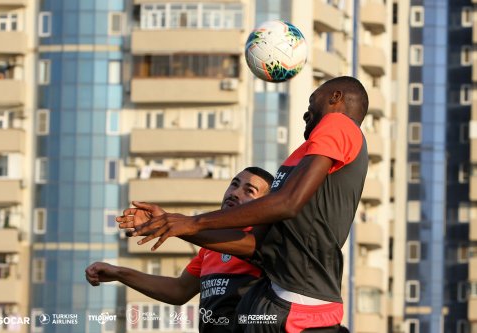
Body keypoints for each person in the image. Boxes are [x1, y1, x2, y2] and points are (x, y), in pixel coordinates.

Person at [121, 76, 369, 333]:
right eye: (235, 184)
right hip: (277, 304)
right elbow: (254, 244)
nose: (307, 112)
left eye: (312, 100)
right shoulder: (302, 156)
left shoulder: (339, 124)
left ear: (336, 97)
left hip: (299, 307)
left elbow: (288, 203)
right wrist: (171, 224)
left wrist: (192, 221)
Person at [85, 167, 274, 332]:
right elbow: (178, 290)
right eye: (234, 184)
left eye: (249, 191)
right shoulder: (209, 249)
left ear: (264, 205)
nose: (235, 192)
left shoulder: (265, 240)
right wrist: (119, 273)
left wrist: (174, 225)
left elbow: (250, 247)